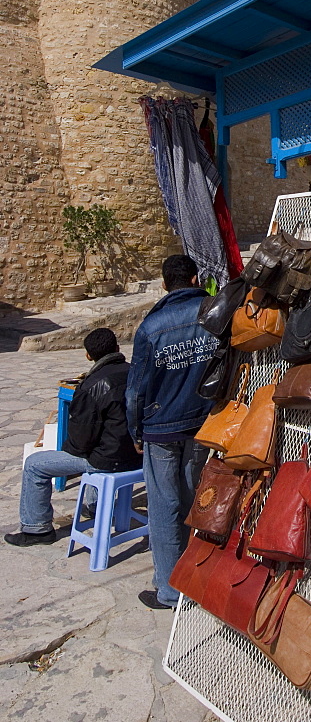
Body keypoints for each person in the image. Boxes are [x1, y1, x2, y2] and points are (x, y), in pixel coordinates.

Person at [125, 254, 218, 610]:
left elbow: (136, 390)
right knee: (198, 498)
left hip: (161, 429)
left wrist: (136, 431)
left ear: (165, 284)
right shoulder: (214, 314)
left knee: (164, 505)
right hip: (202, 422)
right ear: (196, 278)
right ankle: (198, 574)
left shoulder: (151, 327)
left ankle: (169, 590)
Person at [4, 327, 141, 548]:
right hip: (139, 455)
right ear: (117, 348)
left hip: (110, 460)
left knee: (34, 464)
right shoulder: (137, 373)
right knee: (100, 445)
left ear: (88, 355)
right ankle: (94, 505)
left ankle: (36, 529)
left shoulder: (91, 386)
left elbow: (79, 442)